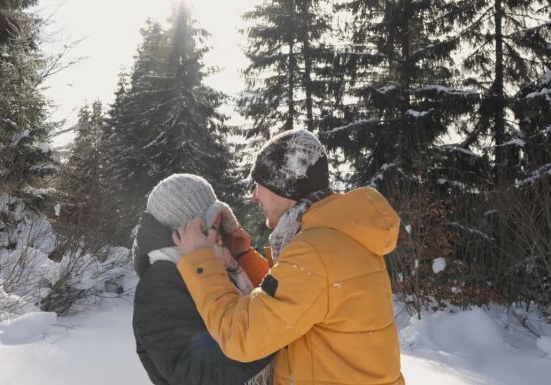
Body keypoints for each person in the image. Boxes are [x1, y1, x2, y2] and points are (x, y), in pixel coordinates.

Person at [172, 129, 405, 385]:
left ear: (282, 186)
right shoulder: (338, 238)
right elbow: (292, 304)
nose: (254, 196)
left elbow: (243, 336)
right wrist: (243, 256)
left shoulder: (315, 252)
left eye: (258, 184)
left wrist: (199, 259)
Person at [132, 173, 274, 385]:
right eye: (213, 224)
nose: (219, 233)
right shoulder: (160, 285)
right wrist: (274, 334)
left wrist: (242, 258)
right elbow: (198, 375)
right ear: (186, 229)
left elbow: (261, 300)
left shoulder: (216, 263)